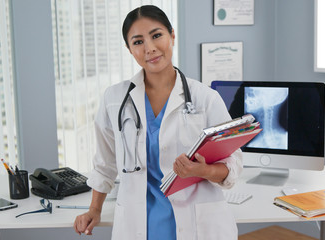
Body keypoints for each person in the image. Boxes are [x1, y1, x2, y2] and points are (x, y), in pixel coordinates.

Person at [73, 5, 242, 240]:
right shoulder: (114, 99)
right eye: (138, 41)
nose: (150, 48)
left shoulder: (206, 99)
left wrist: (204, 171)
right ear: (129, 49)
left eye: (156, 35)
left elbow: (232, 165)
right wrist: (94, 208)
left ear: (172, 35)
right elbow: (105, 163)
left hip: (198, 226)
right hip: (139, 225)